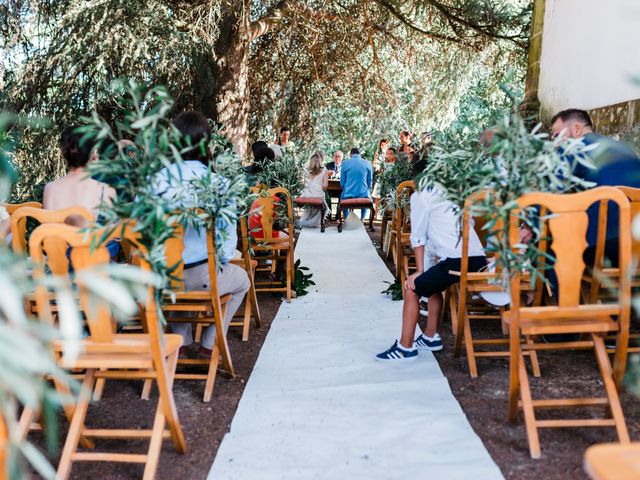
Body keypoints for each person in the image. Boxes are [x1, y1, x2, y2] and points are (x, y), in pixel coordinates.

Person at [154, 111, 250, 357]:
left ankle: (182, 339)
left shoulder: (156, 181)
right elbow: (227, 240)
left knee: (175, 270)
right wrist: (220, 261)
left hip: (163, 279)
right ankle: (209, 342)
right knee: (242, 281)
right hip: (203, 276)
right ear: (206, 142)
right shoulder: (217, 183)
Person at [376, 186, 486, 361]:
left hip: (456, 260)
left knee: (412, 288)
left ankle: (405, 347)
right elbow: (469, 224)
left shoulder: (421, 195)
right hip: (479, 259)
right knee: (432, 281)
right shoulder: (454, 192)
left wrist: (418, 271)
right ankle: (430, 336)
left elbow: (417, 236)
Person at [550, 108, 640, 266]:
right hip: (636, 243)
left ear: (577, 129)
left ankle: (556, 291)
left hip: (603, 246)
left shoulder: (574, 147)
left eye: (557, 135)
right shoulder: (628, 149)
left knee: (551, 242)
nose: (554, 141)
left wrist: (527, 226)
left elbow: (550, 188)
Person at [43, 126, 116, 226]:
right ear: (94, 153)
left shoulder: (50, 189)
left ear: (64, 153)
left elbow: (47, 233)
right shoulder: (106, 190)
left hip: (57, 241)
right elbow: (112, 234)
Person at [340, 147, 373, 221]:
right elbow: (369, 183)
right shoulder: (368, 163)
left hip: (348, 195)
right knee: (367, 193)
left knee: (342, 195)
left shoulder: (345, 163)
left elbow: (342, 183)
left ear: (350, 154)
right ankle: (362, 219)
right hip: (363, 195)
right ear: (360, 154)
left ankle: (347, 219)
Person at [298, 151, 329, 228]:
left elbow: (303, 183)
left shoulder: (306, 170)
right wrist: (319, 187)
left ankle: (305, 221)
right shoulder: (324, 169)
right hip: (318, 194)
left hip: (306, 194)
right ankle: (318, 222)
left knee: (309, 205)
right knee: (322, 202)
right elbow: (325, 186)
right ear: (320, 161)